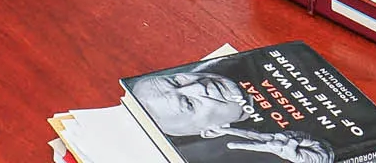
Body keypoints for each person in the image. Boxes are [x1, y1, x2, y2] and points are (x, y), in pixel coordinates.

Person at [127, 66, 335, 163]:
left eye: (177, 82)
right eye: (188, 103)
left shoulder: (255, 59)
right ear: (211, 132)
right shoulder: (286, 148)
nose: (198, 86)